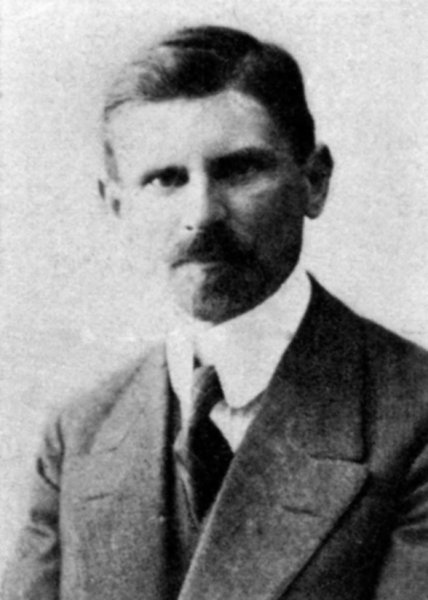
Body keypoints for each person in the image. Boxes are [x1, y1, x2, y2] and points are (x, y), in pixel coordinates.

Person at [3, 25, 428, 600]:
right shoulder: (78, 437)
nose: (201, 213)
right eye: (165, 179)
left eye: (240, 170)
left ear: (314, 182)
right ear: (117, 205)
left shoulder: (413, 416)